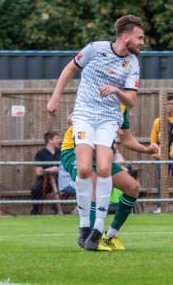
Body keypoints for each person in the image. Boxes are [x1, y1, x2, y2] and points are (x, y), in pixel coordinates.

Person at [46, 14, 144, 252]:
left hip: (109, 120)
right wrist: (55, 97)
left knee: (102, 169)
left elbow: (130, 101)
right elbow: (70, 68)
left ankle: (98, 229)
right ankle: (84, 226)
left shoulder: (132, 64)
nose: (142, 42)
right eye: (139, 37)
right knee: (83, 169)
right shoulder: (95, 49)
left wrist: (116, 91)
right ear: (125, 36)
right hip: (84, 115)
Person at [59, 109, 159, 251]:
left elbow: (127, 139)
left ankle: (110, 235)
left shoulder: (123, 106)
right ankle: (90, 239)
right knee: (92, 183)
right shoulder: (99, 95)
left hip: (99, 154)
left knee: (133, 187)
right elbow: (71, 119)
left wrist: (147, 150)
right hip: (73, 150)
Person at [30, 131, 62, 215]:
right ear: (50, 140)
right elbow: (38, 172)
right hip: (45, 180)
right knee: (35, 189)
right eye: (56, 139)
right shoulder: (41, 154)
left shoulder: (60, 152)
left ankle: (57, 208)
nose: (59, 141)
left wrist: (58, 168)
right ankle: (35, 210)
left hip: (59, 179)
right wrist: (50, 169)